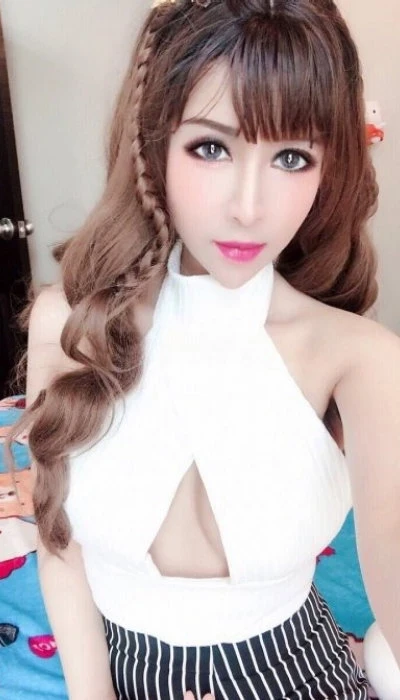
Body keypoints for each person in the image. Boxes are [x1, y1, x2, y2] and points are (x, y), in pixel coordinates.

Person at [8, 0, 400, 698]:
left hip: (295, 672)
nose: (249, 206)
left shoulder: (359, 357)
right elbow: (59, 546)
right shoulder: (67, 323)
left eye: (291, 157)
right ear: (154, 142)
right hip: (124, 672)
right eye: (211, 148)